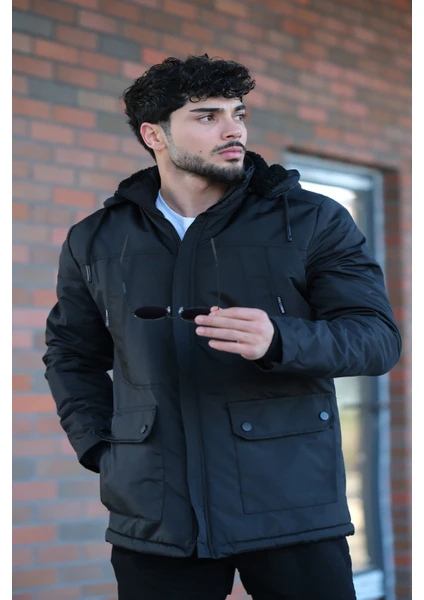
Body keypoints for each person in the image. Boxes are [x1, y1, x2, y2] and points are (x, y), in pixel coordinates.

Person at [43, 54, 401, 600]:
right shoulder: (96, 238)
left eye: (238, 113)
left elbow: (376, 338)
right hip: (157, 512)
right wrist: (100, 447)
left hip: (290, 503)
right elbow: (70, 355)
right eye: (207, 116)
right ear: (154, 135)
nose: (233, 129)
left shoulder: (312, 219)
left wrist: (280, 339)